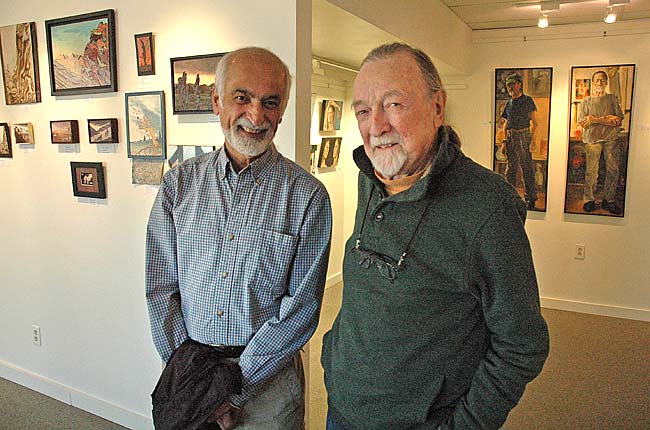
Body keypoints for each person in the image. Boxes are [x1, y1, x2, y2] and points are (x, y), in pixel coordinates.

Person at [321, 43, 549, 430]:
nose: (376, 126)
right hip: (342, 410)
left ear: (437, 107)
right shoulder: (370, 177)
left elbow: (522, 344)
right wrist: (334, 354)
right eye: (363, 111)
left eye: (393, 104)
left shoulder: (489, 207)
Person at [146, 47, 332, 430]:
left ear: (282, 111)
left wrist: (232, 391)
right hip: (189, 377)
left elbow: (301, 309)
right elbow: (161, 289)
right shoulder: (178, 186)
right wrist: (195, 381)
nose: (256, 115)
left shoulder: (308, 197)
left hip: (268, 389)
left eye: (270, 102)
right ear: (217, 100)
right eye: (242, 97)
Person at [578, 70, 624, 215]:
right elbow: (582, 122)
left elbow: (618, 121)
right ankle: (589, 199)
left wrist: (595, 119)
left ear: (606, 82)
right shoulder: (585, 102)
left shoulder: (612, 99)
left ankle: (609, 200)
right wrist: (607, 119)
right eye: (597, 80)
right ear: (593, 83)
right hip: (592, 139)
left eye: (602, 80)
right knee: (591, 171)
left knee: (613, 169)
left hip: (611, 138)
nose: (600, 83)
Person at [500, 73, 539, 210]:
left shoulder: (527, 100)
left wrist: (533, 141)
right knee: (511, 168)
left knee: (526, 168)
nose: (510, 88)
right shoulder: (509, 104)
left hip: (523, 135)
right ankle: (510, 197)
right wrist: (504, 141)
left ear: (519, 84)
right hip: (511, 136)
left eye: (512, 84)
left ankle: (530, 198)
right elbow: (505, 124)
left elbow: (535, 122)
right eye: (508, 85)